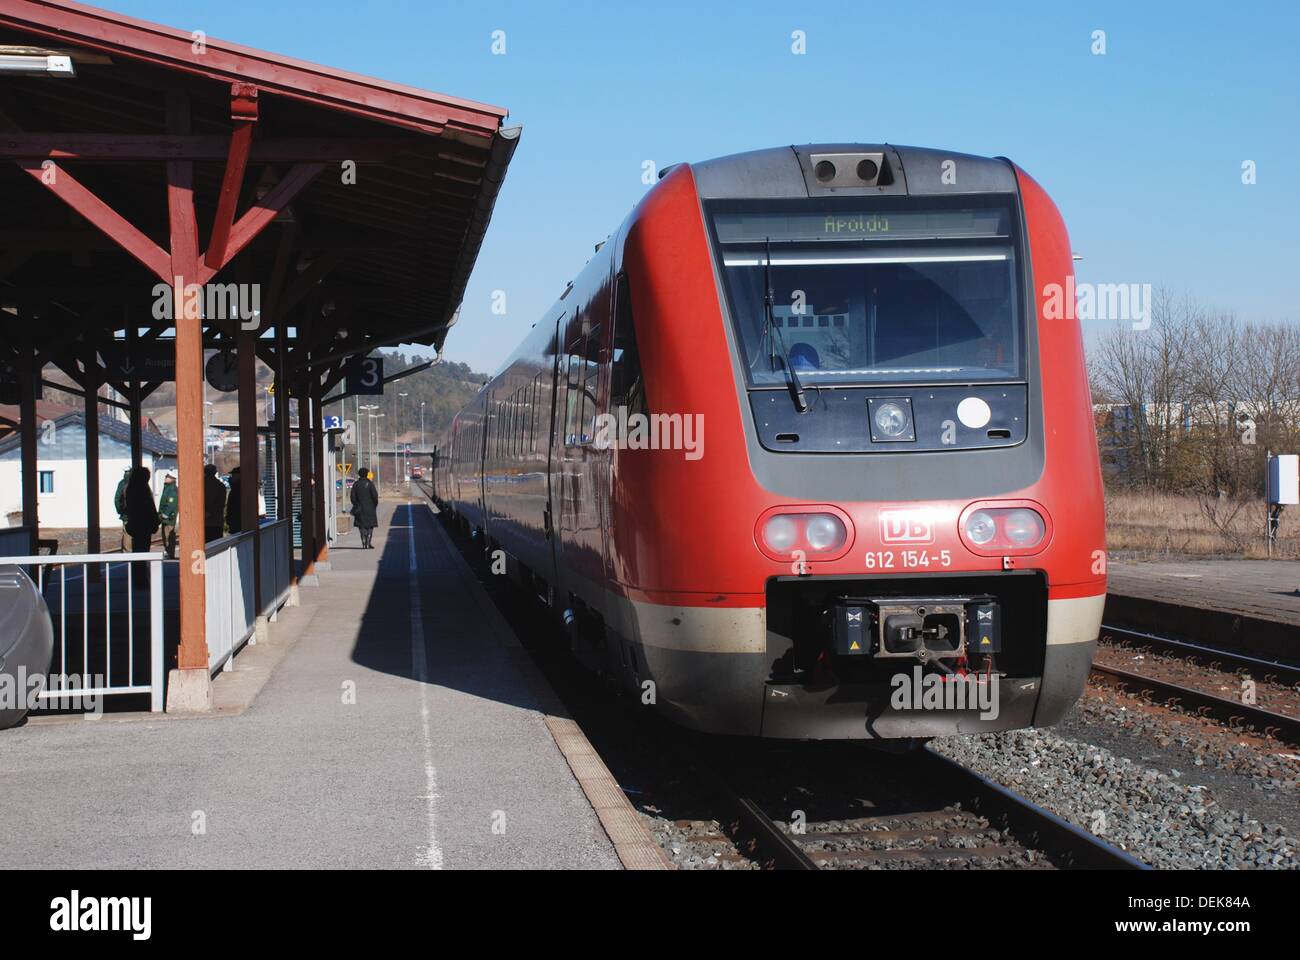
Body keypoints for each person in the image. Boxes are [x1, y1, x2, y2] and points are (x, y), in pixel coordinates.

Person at [124, 467, 159, 554]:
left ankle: (138, 566)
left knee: (138, 549)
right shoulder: (143, 490)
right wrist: (155, 521)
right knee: (142, 550)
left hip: (135, 524)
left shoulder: (130, 488)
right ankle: (141, 567)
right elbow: (149, 508)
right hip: (144, 524)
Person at [350, 467, 379, 549]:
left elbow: (352, 497)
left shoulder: (356, 484)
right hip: (370, 508)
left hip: (359, 508)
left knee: (361, 525)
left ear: (359, 474)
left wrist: (355, 504)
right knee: (370, 525)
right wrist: (374, 505)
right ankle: (368, 542)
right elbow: (375, 496)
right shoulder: (370, 484)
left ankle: (363, 542)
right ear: (367, 474)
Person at [157, 473, 179, 559]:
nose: (166, 478)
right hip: (165, 517)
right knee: (165, 536)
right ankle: (168, 552)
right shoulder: (167, 488)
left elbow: (171, 503)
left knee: (168, 536)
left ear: (172, 479)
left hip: (169, 518)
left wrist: (166, 514)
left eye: (168, 477)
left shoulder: (172, 489)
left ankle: (170, 553)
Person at [204, 464, 227, 543]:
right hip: (216, 522)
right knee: (215, 546)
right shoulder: (221, 486)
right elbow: (221, 504)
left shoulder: (200, 485)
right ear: (215, 473)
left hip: (203, 522)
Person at [114, 467, 132, 549]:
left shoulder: (122, 483)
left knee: (127, 534)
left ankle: (127, 554)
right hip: (138, 515)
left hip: (125, 513)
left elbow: (117, 499)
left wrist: (120, 511)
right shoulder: (139, 482)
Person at [225, 466, 243, 535]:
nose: (231, 477)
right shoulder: (237, 487)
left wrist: (229, 518)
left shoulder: (237, 488)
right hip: (236, 520)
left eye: (233, 474)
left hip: (236, 520)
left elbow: (233, 505)